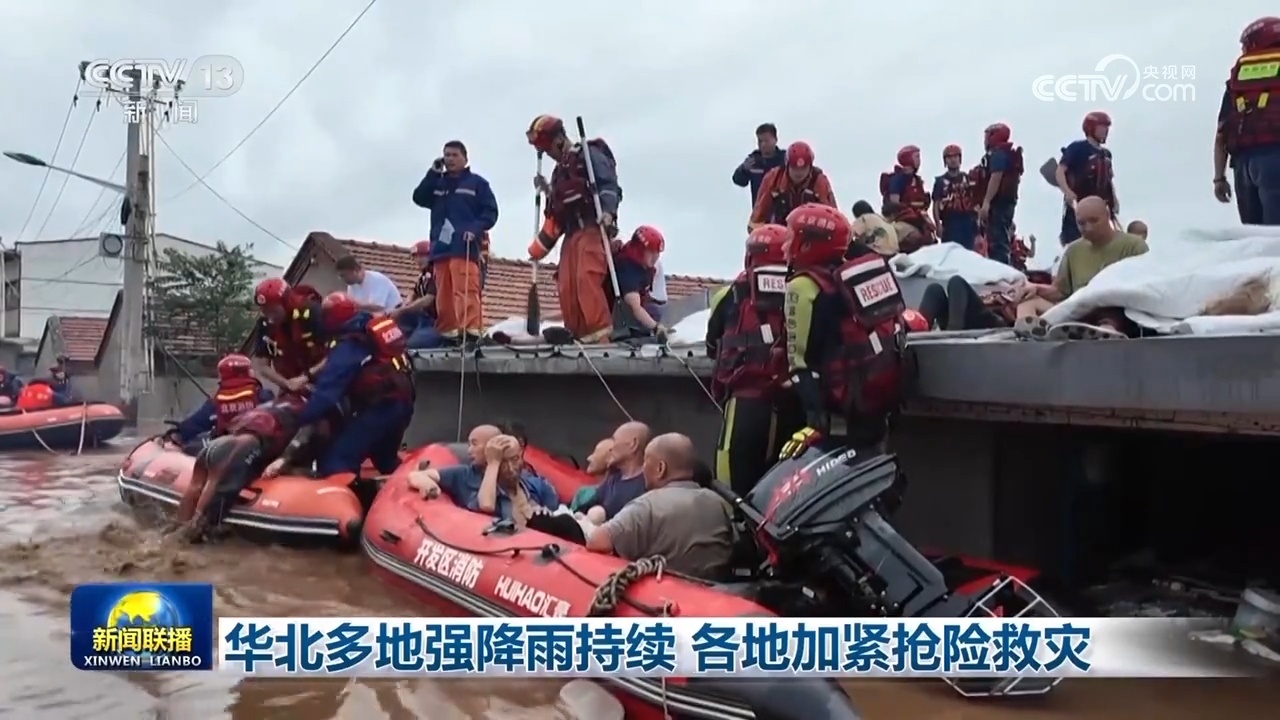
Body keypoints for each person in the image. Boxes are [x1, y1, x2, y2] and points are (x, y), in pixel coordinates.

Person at [779, 203, 910, 459]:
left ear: (806, 245)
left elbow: (799, 362)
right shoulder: (854, 274)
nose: (784, 246)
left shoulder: (801, 285)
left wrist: (814, 419)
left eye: (790, 238)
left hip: (839, 409)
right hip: (877, 399)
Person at [707, 224, 798, 495]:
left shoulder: (729, 294)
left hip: (746, 406)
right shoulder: (803, 290)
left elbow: (713, 345)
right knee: (786, 492)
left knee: (731, 490)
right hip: (795, 402)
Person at [526, 114, 622, 343]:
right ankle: (577, 335)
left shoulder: (589, 156)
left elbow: (608, 185)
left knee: (585, 279)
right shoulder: (559, 173)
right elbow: (558, 209)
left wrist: (608, 213)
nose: (549, 154)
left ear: (560, 139)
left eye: (550, 148)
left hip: (591, 227)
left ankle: (600, 336)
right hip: (571, 234)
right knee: (567, 285)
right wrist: (547, 190)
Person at [296, 292, 415, 476]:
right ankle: (406, 484)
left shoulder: (350, 345)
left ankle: (350, 493)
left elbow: (327, 395)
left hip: (380, 408)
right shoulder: (370, 328)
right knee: (384, 458)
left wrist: (297, 421)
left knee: (335, 462)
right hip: (404, 402)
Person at [586, 432, 734, 580]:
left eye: (645, 461)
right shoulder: (720, 504)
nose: (643, 468)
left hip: (662, 590)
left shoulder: (646, 507)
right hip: (715, 589)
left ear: (660, 468)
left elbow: (596, 542)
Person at [175, 394, 320, 538]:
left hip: (220, 443)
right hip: (243, 446)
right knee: (216, 486)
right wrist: (283, 460)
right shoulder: (306, 413)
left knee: (195, 485)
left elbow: (228, 426)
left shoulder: (269, 406)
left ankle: (178, 527)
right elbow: (301, 439)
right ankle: (194, 530)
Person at [411, 140, 499, 344]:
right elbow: (419, 198)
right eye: (446, 155)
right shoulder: (437, 183)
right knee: (444, 293)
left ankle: (470, 331)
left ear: (465, 158)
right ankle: (448, 331)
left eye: (454, 155)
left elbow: (491, 213)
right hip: (441, 248)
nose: (449, 159)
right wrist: (432, 173)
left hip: (464, 247)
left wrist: (474, 229)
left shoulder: (477, 184)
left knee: (465, 289)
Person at [1014, 196, 1148, 323]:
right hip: (1078, 313)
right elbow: (1060, 291)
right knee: (1027, 303)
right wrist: (1035, 288)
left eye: (1094, 221)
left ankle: (1105, 332)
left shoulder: (1133, 246)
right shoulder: (1073, 250)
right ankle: (1030, 331)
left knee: (1112, 310)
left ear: (1107, 215)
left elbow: (1144, 290)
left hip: (1115, 311)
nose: (1088, 228)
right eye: (1081, 223)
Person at [410, 429, 559, 526]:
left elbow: (556, 508)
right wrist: (429, 486)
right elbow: (486, 505)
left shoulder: (533, 484)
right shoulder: (465, 475)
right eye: (505, 462)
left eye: (515, 459)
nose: (511, 468)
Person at [1214, 17, 1280, 225]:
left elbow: (1221, 135)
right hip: (1275, 158)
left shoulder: (1238, 78)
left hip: (1243, 164)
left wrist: (1219, 178)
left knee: (1254, 234)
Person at [168, 354, 275, 451]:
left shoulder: (216, 402)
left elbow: (193, 426)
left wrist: (176, 433)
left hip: (226, 451)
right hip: (261, 449)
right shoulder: (264, 396)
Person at [250, 277, 327, 393]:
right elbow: (262, 365)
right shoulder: (265, 324)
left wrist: (306, 377)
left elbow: (333, 353)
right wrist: (287, 384)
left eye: (273, 310)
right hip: (291, 384)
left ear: (286, 303)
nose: (270, 317)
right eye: (265, 311)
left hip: (323, 377)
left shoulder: (311, 313)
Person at [1056, 111, 1117, 245]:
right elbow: (1060, 171)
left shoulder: (1106, 154)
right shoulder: (1077, 148)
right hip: (1079, 206)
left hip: (1100, 208)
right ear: (1091, 128)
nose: (1106, 131)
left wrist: (1114, 200)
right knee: (1077, 242)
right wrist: (1067, 192)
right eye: (1102, 127)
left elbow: (1108, 180)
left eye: (1107, 128)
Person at [748, 141, 837, 231]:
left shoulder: (820, 181)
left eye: (804, 168)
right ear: (787, 165)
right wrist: (756, 232)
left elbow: (832, 216)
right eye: (794, 168)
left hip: (811, 232)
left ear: (810, 167)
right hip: (779, 232)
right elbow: (759, 214)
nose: (799, 173)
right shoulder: (773, 179)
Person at [578, 421, 651, 526]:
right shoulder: (614, 478)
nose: (611, 448)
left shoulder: (647, 485)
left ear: (633, 444)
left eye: (614, 440)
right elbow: (586, 507)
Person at [972, 123, 1024, 266]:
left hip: (998, 203)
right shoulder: (1008, 153)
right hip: (1007, 202)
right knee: (998, 239)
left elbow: (996, 177)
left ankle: (1000, 270)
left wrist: (986, 202)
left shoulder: (998, 154)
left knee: (997, 242)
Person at [611, 225, 669, 339]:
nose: (656, 257)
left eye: (658, 253)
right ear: (639, 250)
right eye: (651, 252)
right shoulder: (628, 270)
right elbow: (635, 308)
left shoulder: (644, 264)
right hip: (623, 320)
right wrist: (656, 327)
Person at [391, 241, 446, 350]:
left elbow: (429, 298)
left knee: (412, 345)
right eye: (415, 257)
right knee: (398, 323)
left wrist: (404, 310)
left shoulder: (436, 273)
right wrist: (406, 304)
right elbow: (414, 292)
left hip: (436, 322)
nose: (418, 260)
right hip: (423, 318)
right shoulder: (423, 275)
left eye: (422, 256)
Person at [880, 145, 935, 244]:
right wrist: (907, 210)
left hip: (918, 219)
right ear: (908, 159)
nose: (919, 160)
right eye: (917, 157)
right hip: (904, 221)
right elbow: (894, 204)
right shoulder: (898, 179)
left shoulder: (916, 180)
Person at [931, 145, 979, 250]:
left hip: (968, 221)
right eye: (949, 157)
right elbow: (936, 205)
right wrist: (938, 224)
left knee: (969, 252)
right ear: (945, 161)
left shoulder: (968, 179)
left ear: (960, 159)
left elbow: (976, 200)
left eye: (955, 156)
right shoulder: (940, 182)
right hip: (950, 222)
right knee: (950, 252)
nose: (953, 160)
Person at [731, 123, 786, 205]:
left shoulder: (785, 159)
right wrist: (743, 169)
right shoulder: (753, 161)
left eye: (766, 141)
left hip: (784, 208)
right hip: (760, 208)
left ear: (775, 139)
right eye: (760, 141)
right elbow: (738, 181)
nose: (763, 144)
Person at [336, 255, 402, 313]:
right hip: (375, 317)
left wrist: (356, 306)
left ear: (355, 271)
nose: (341, 279)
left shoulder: (376, 279)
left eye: (344, 275)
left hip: (393, 316)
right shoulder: (351, 285)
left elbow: (378, 307)